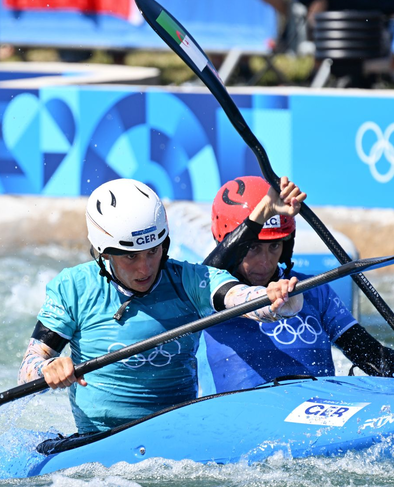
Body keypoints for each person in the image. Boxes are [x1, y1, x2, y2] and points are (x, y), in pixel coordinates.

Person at [17, 178, 304, 434]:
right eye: (131, 257)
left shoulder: (189, 279)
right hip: (99, 439)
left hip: (175, 435)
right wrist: (49, 368)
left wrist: (275, 298)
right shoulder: (73, 287)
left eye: (153, 251)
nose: (145, 268)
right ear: (104, 253)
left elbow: (239, 298)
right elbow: (27, 370)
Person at [202, 175, 394, 393]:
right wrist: (263, 211)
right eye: (253, 248)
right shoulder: (200, 292)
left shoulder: (313, 290)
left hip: (316, 411)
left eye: (274, 246)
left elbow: (365, 351)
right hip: (241, 419)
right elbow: (207, 272)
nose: (265, 261)